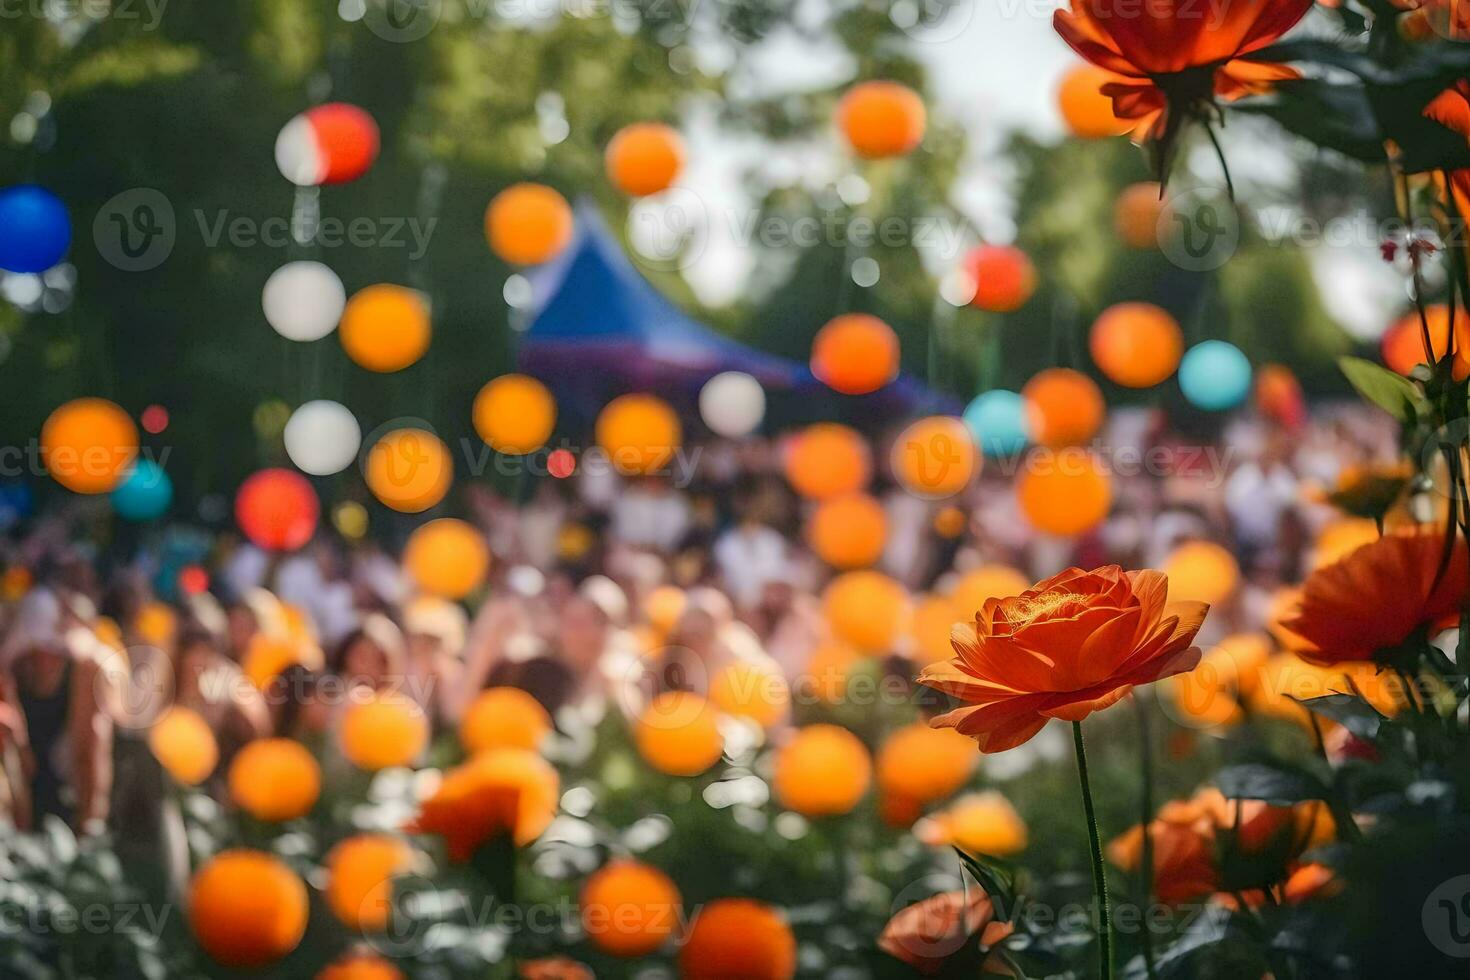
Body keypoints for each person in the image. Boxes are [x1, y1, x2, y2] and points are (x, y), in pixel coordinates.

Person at [0, 589, 113, 833]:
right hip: (20, 804)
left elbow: (91, 752)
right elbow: (17, 760)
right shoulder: (10, 672)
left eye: (50, 653)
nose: (42, 663)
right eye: (35, 653)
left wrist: (90, 820)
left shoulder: (84, 672)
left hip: (66, 794)